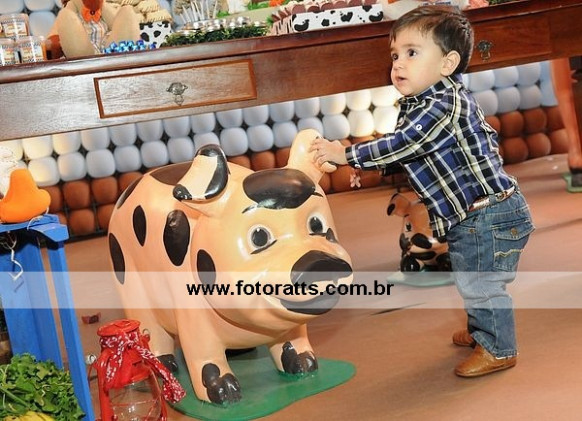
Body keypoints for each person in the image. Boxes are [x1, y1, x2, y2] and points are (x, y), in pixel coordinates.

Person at [310, 5, 534, 377]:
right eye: (395, 55)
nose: (398, 63)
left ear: (448, 63)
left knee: (481, 283)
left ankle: (499, 348)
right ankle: (483, 329)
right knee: (472, 277)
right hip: (473, 215)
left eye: (412, 53)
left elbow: (405, 144)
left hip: (488, 214)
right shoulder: (423, 103)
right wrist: (375, 164)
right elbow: (412, 152)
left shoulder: (442, 105)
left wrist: (346, 154)